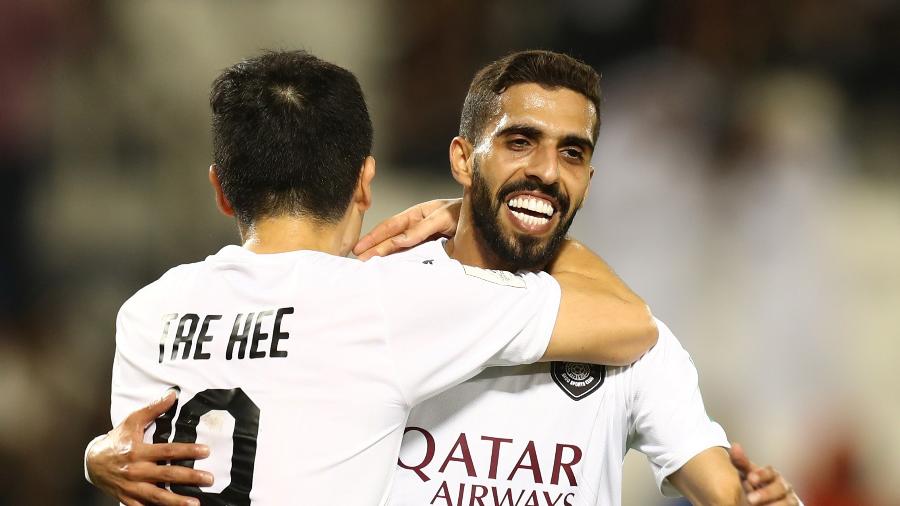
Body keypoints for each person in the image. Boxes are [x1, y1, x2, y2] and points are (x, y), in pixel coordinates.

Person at [87, 50, 801, 505]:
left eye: (573, 155)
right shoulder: (392, 300)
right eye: (520, 143)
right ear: (370, 181)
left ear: (220, 188)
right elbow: (629, 325)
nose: (547, 172)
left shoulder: (148, 311)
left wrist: (94, 459)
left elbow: (148, 464)